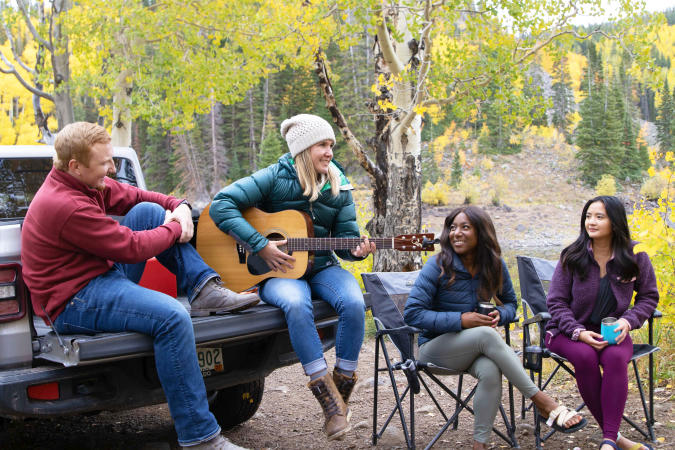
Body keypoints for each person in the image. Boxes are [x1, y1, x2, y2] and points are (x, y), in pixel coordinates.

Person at [21, 122, 260, 450]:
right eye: (104, 163)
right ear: (74, 165)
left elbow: (134, 196)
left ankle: (203, 289)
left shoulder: (86, 183)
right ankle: (201, 439)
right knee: (172, 317)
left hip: (98, 274)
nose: (112, 168)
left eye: (112, 159)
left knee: (149, 211)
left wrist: (176, 205)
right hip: (73, 300)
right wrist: (176, 227)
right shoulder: (65, 204)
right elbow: (131, 247)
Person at [209, 114, 375, 441]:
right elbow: (221, 204)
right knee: (297, 305)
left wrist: (357, 251)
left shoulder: (337, 183)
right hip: (279, 270)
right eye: (322, 145)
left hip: (323, 267)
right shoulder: (274, 177)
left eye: (331, 145)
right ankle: (326, 397)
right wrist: (260, 245)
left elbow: (345, 238)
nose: (329, 152)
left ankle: (339, 392)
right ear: (303, 149)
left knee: (354, 301)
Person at [404, 205, 587, 450]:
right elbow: (412, 314)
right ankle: (543, 402)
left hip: (474, 348)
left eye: (465, 227)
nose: (456, 233)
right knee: (486, 335)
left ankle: (480, 445)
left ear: (482, 233)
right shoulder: (437, 265)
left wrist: (498, 314)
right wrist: (461, 320)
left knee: (490, 370)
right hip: (435, 350)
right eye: (452, 227)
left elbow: (511, 304)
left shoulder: (494, 264)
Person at [545, 196, 659, 450]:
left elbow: (649, 297)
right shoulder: (572, 256)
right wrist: (578, 331)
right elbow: (555, 302)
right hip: (566, 331)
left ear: (615, 222)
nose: (591, 222)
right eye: (588, 216)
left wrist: (629, 322)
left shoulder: (635, 256)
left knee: (616, 358)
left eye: (599, 216)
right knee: (585, 356)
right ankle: (616, 439)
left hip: (611, 331)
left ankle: (608, 441)